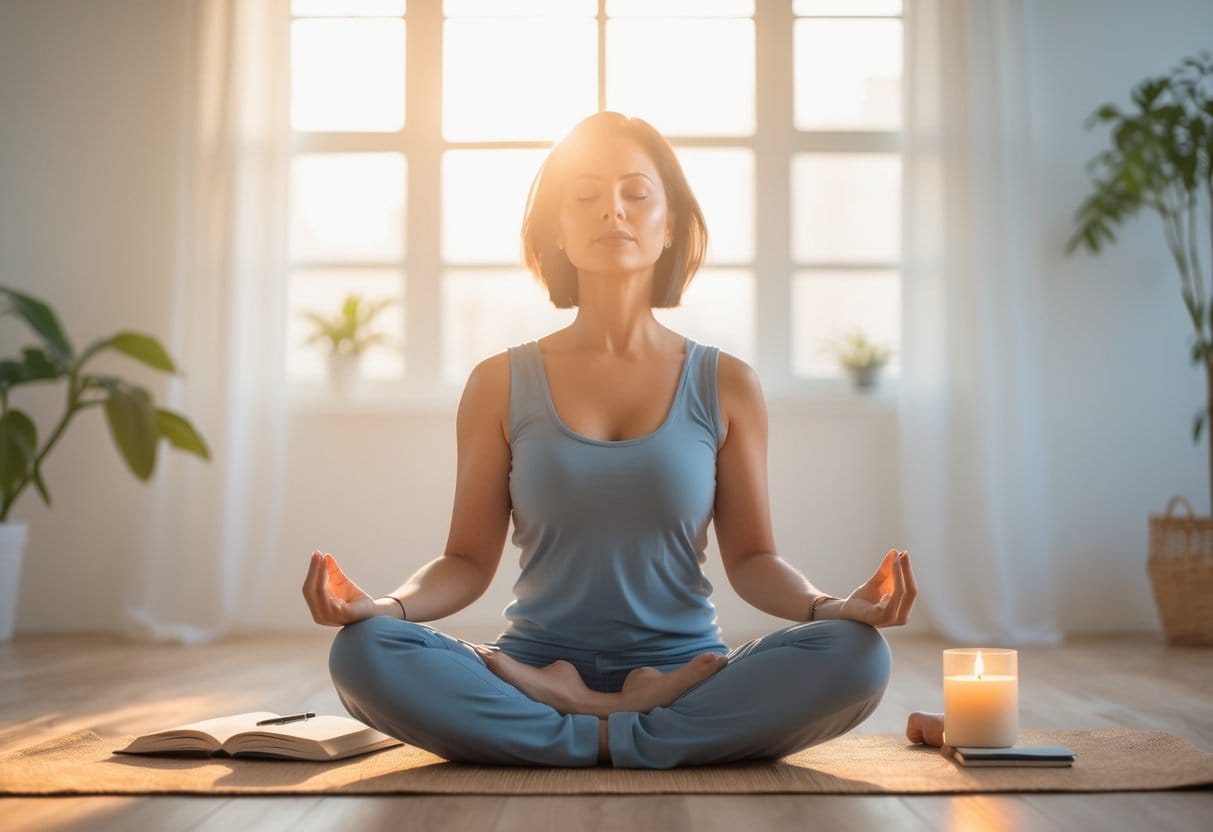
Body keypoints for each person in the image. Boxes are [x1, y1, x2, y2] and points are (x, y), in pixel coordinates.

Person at [303, 112, 921, 769]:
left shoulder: (727, 383)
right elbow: (463, 562)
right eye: (586, 195)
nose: (612, 212)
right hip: (534, 667)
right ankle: (637, 730)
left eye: (635, 193)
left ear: (670, 225)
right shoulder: (498, 383)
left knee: (854, 653)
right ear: (558, 230)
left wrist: (834, 607)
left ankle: (573, 730)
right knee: (364, 650)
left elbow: (753, 561)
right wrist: (383, 607)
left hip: (687, 669)